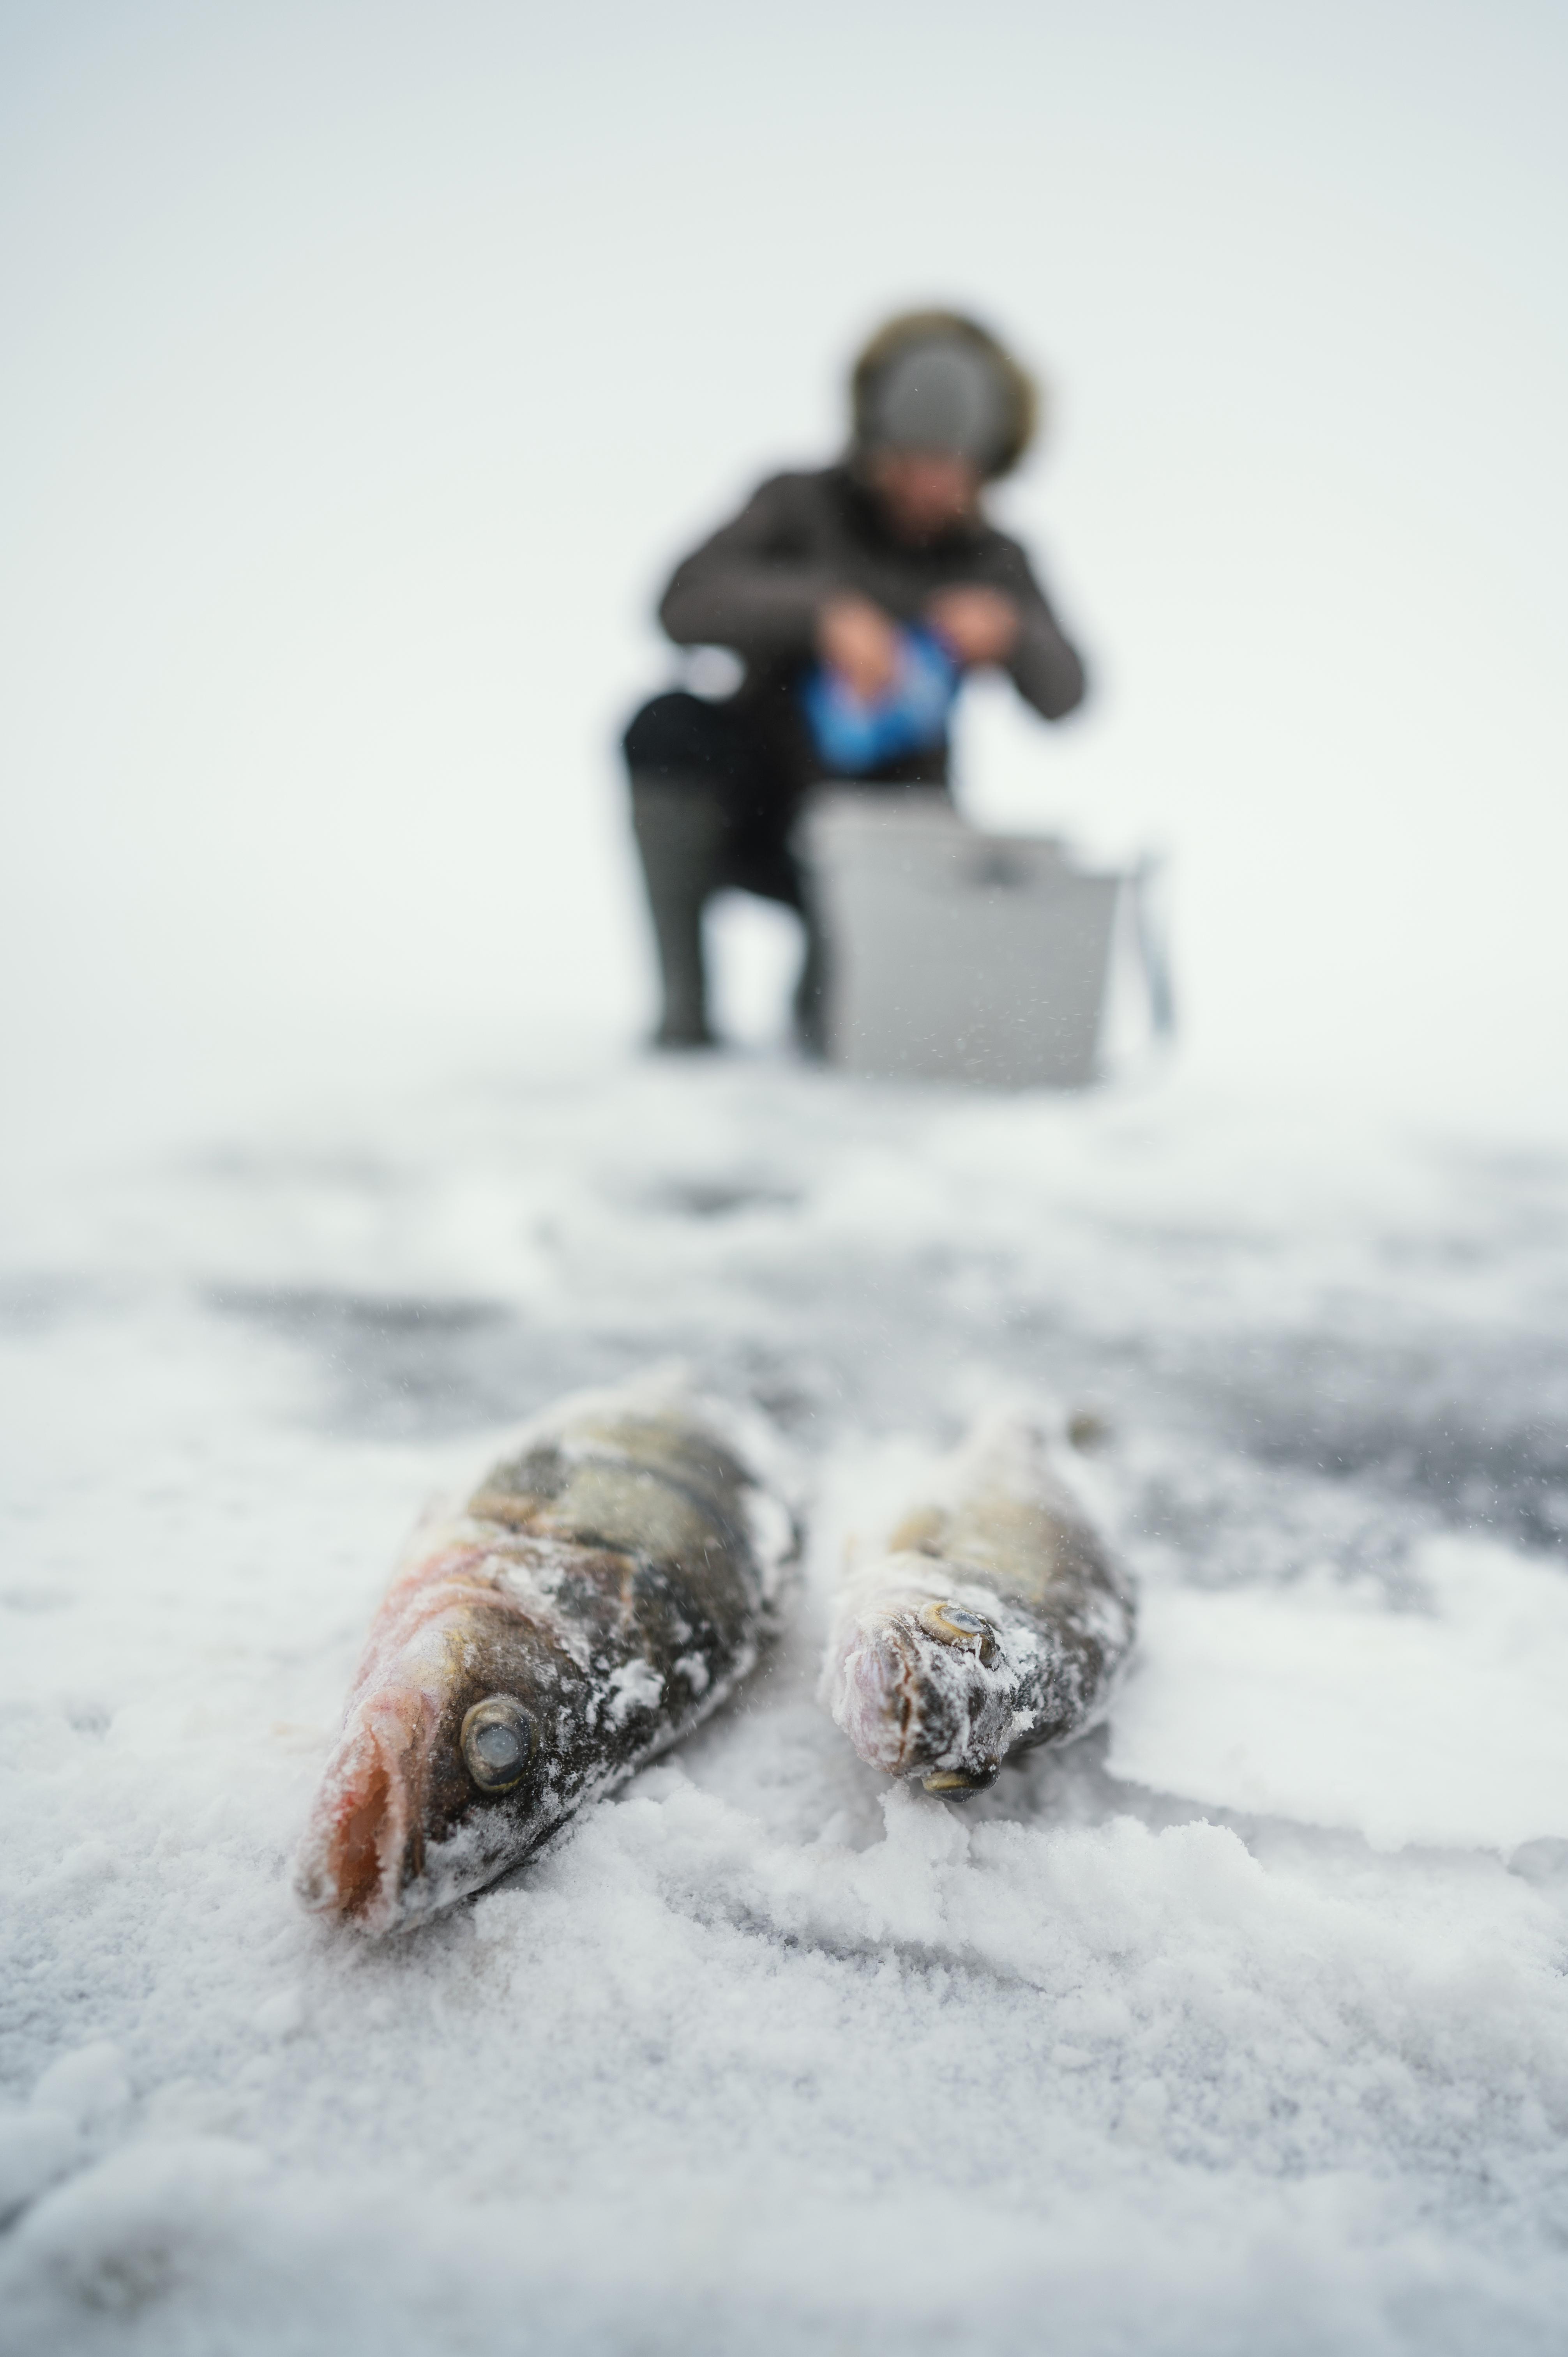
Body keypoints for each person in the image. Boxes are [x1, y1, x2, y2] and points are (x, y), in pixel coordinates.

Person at [623, 308, 1087, 1052]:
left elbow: (1070, 697)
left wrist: (1012, 632)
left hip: (885, 832)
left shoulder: (997, 560)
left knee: (842, 1039)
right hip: (761, 801)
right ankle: (686, 1018)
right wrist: (823, 614)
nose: (930, 483)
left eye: (951, 465)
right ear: (877, 444)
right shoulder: (796, 504)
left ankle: (828, 1006)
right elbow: (680, 602)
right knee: (665, 726)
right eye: (912, 459)